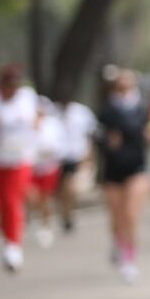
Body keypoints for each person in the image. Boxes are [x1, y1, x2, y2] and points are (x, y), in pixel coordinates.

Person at [0, 64, 40, 272]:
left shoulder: (27, 97)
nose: (12, 90)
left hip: (21, 158)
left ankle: (14, 245)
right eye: (8, 86)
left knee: (11, 198)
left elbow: (38, 115)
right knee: (1, 201)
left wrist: (36, 128)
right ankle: (6, 238)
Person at [97, 69, 150, 283]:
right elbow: (98, 135)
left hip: (136, 166)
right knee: (117, 215)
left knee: (130, 214)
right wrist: (107, 142)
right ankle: (118, 243)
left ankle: (130, 259)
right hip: (113, 167)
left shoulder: (142, 108)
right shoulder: (107, 109)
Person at [53, 96, 97, 234]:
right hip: (55, 157)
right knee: (59, 190)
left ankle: (69, 214)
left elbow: (90, 134)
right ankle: (64, 213)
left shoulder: (81, 112)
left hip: (74, 155)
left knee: (69, 185)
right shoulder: (52, 112)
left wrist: (89, 155)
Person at [30, 96, 67, 248]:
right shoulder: (26, 123)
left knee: (45, 197)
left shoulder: (53, 124)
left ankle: (46, 224)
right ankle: (36, 218)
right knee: (31, 195)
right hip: (30, 166)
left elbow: (59, 145)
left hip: (48, 166)